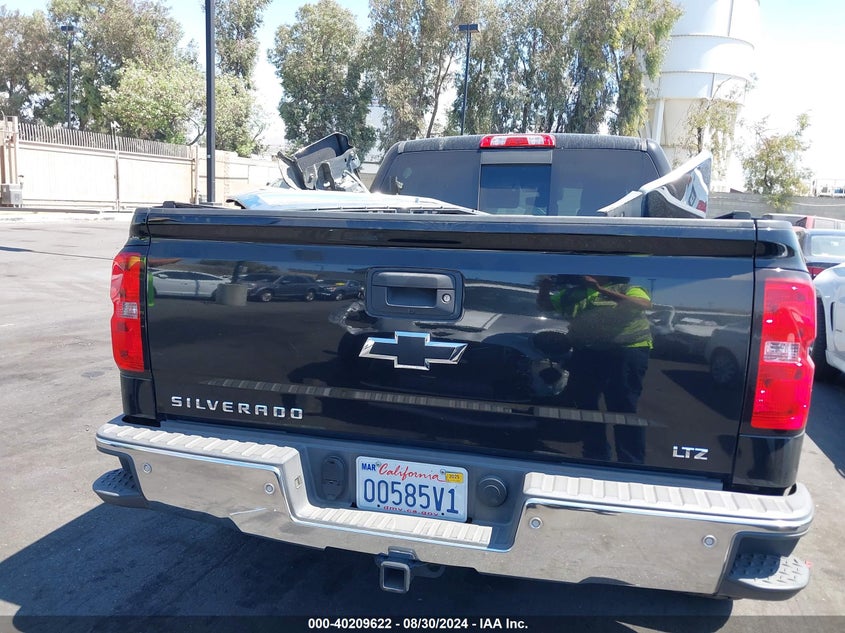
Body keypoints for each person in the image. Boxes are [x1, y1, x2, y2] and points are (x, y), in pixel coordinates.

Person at [538, 275, 652, 463]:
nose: (586, 273)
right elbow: (546, 306)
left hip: (626, 351)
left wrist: (600, 289)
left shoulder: (625, 288)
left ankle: (631, 462)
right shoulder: (573, 293)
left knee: (623, 406)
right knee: (585, 404)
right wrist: (544, 287)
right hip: (587, 351)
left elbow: (643, 304)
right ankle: (595, 455)